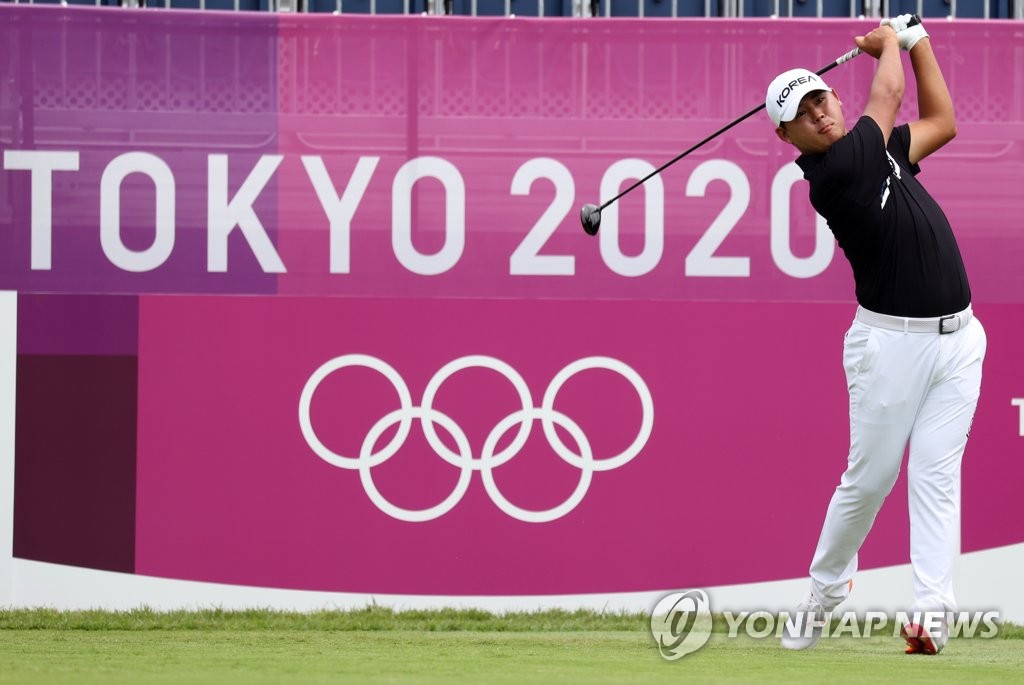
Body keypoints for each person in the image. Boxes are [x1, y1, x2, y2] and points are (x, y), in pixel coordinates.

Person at [764, 16, 987, 655]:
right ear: (788, 137)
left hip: (959, 339)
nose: (820, 114)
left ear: (833, 96)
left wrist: (920, 45)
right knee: (872, 478)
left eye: (821, 99)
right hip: (890, 347)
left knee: (937, 477)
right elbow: (885, 99)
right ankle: (824, 594)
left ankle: (933, 618)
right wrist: (891, 42)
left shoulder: (878, 150)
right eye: (803, 114)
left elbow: (942, 120)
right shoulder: (835, 174)